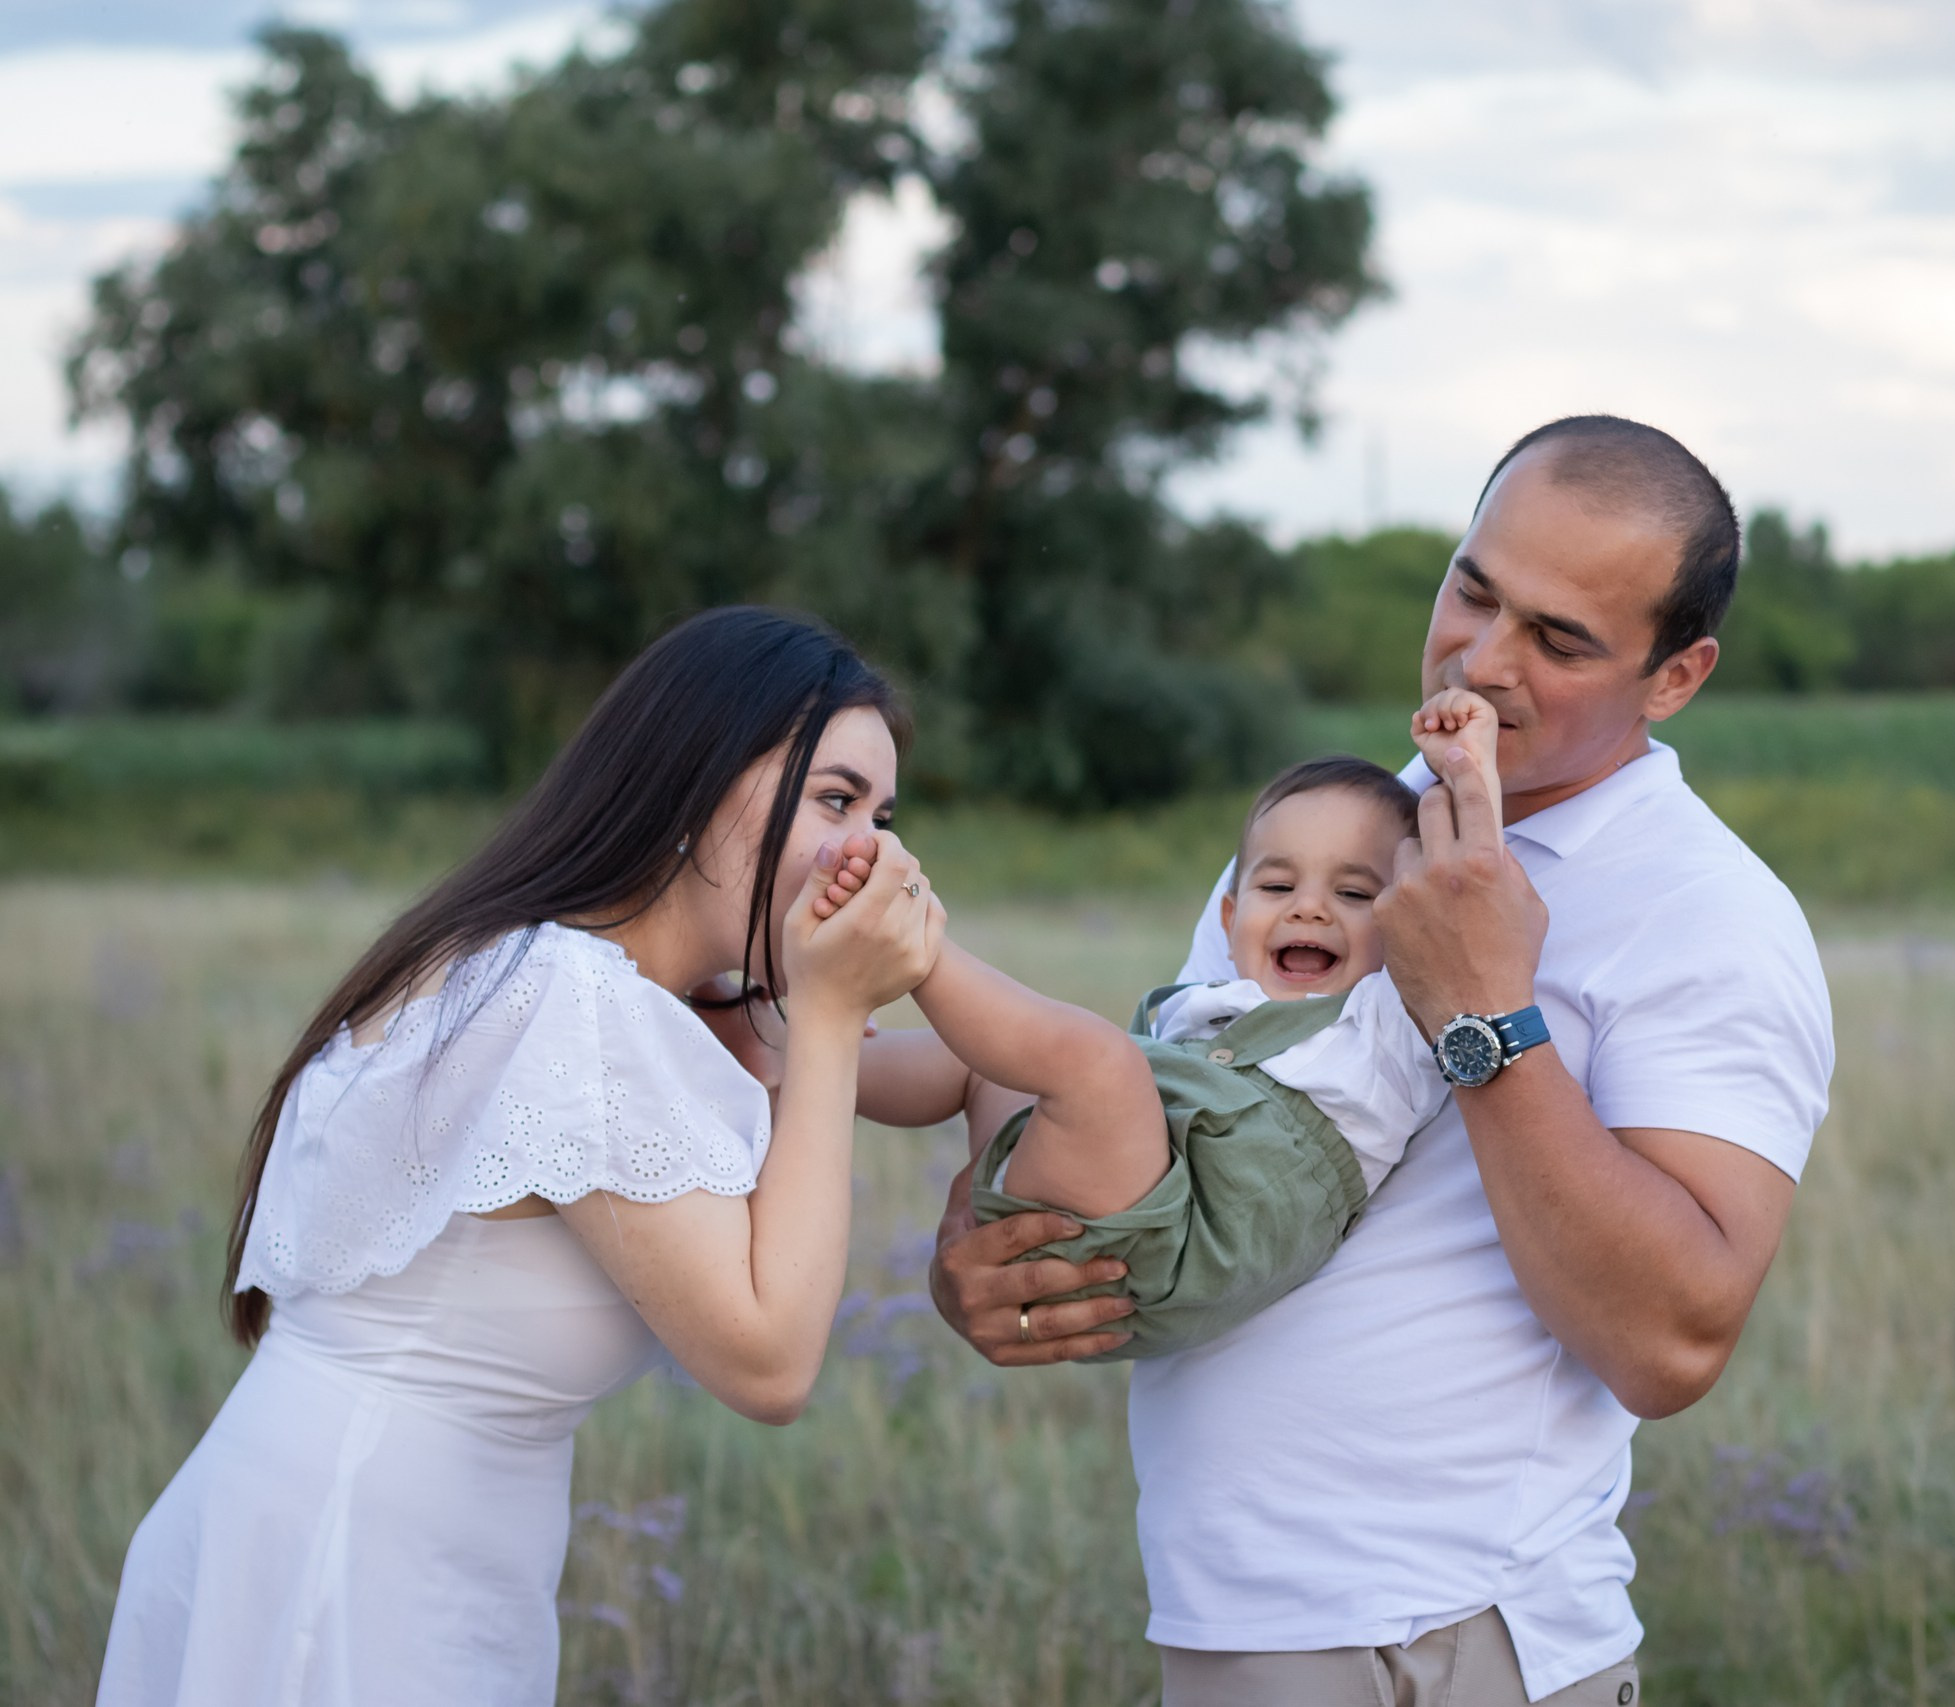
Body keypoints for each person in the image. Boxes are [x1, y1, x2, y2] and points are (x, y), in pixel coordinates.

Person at [929, 416, 1836, 1704]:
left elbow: (1672, 1344)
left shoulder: (1711, 916)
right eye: (1472, 589)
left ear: (1675, 676)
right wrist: (1009, 1259)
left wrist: (1482, 1011)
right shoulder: (1333, 837)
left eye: (1559, 639)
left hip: (1447, 1636)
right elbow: (1178, 1143)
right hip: (1234, 1619)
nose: (1483, 658)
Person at [97, 608, 944, 1707]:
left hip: (373, 1546)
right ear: (696, 782)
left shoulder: (565, 975)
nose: (869, 851)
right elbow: (769, 1362)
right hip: (352, 1573)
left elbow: (957, 1071)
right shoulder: (566, 1002)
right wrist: (827, 1018)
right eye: (834, 800)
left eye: (882, 814)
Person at [822, 699, 1493, 1359]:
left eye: (1353, 894)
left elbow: (1470, 885)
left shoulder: (1388, 1014)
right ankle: (788, 1059)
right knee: (987, 1065)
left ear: (1408, 920)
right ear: (1228, 920)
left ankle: (906, 937)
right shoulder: (1210, 1005)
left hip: (1178, 1247)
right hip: (1106, 1209)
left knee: (1096, 1061)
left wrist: (1470, 768)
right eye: (1278, 886)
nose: (1310, 908)